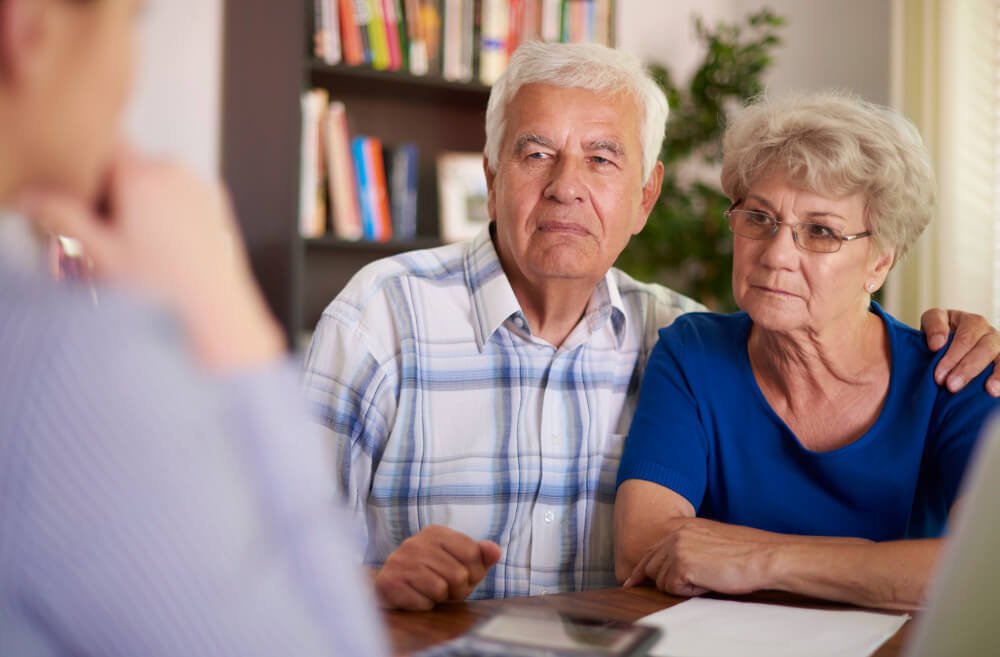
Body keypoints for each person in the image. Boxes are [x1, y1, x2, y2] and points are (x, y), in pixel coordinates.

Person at [301, 41, 1000, 611]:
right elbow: (256, 557)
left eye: (602, 158)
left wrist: (759, 555)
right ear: (491, 175)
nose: (565, 185)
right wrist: (373, 583)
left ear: (645, 196)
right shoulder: (383, 314)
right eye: (536, 153)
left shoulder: (671, 325)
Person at [0, 1, 384, 655]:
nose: (130, 71)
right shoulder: (60, 362)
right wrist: (230, 322)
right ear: (30, 28)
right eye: (132, 23)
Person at [614, 91, 1000, 611]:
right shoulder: (693, 352)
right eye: (759, 218)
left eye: (820, 232)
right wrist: (884, 570)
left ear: (879, 263)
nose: (776, 255)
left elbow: (982, 575)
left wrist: (763, 558)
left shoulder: (955, 374)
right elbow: (642, 551)